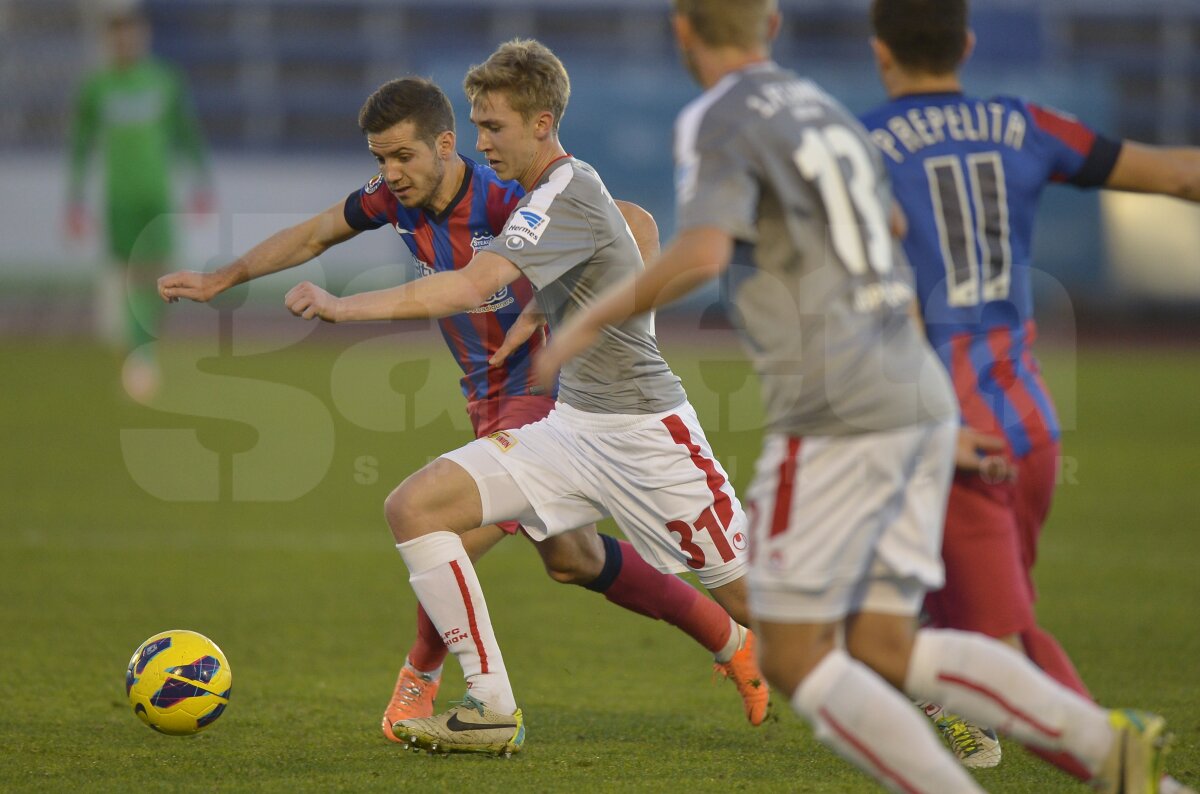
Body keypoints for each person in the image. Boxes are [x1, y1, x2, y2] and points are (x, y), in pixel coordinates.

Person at [537, 1, 1181, 791]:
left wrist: (585, 321)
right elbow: (890, 243)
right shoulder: (824, 111)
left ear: (682, 31)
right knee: (884, 643)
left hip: (835, 410)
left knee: (791, 651)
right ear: (773, 26)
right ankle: (1105, 742)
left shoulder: (720, 115)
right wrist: (928, 410)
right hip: (910, 390)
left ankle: (1086, 738)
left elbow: (702, 252)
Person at [157, 75, 767, 747]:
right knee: (571, 558)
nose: (391, 173)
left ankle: (427, 679)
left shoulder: (505, 199)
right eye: (381, 159)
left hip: (546, 396)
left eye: (403, 157)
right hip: (486, 397)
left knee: (440, 523)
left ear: (445, 146)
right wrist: (224, 278)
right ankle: (730, 638)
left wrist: (586, 313)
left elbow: (635, 225)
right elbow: (315, 235)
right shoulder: (394, 200)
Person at [860, 0, 1200, 782]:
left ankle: (1132, 772)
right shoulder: (1024, 123)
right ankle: (961, 708)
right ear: (966, 44)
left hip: (950, 431)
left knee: (1002, 651)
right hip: (1029, 420)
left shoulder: (862, 149)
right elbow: (1180, 172)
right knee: (951, 610)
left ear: (881, 52)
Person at [67, 1, 211, 402]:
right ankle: (140, 356)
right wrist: (75, 200)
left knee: (161, 275)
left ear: (143, 37)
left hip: (157, 196)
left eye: (131, 34)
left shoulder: (164, 81)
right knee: (132, 278)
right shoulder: (97, 87)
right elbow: (81, 145)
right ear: (109, 41)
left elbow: (187, 134)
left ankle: (141, 348)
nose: (126, 42)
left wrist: (202, 183)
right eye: (118, 36)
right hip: (119, 199)